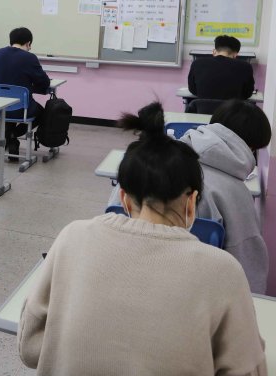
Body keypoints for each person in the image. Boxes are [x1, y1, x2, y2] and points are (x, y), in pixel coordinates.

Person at [19, 101, 266, 375]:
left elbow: (30, 348)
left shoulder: (73, 236)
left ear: (122, 196)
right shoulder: (222, 269)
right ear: (192, 202)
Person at [180, 99, 272, 294]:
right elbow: (248, 264)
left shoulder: (152, 163)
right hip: (199, 295)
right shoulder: (234, 192)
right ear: (251, 146)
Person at [0, 27, 50, 160]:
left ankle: (8, 140)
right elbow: (44, 82)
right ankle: (13, 136)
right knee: (42, 112)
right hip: (21, 109)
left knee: (9, 109)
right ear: (28, 43)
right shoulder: (29, 58)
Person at [187, 35, 255, 100]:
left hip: (203, 110)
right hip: (232, 110)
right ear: (235, 54)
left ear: (214, 51)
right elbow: (247, 94)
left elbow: (192, 89)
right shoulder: (245, 66)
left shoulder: (197, 63)